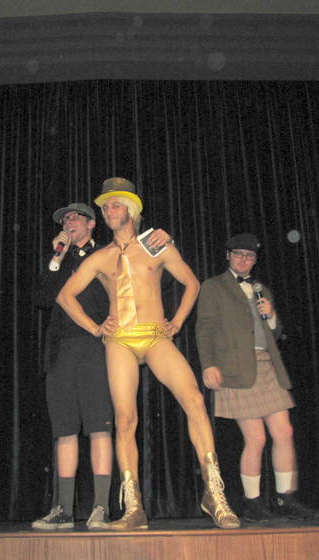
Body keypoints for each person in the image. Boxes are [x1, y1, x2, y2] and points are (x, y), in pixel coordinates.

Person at [57, 178, 240, 531]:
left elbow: (192, 283)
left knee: (195, 400)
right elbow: (65, 296)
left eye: (115, 205)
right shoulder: (101, 257)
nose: (108, 211)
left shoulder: (156, 246)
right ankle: (134, 508)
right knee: (125, 419)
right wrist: (96, 328)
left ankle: (214, 494)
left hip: (156, 336)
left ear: (131, 210)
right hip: (120, 341)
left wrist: (178, 321)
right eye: (105, 207)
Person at [31, 201, 171, 531]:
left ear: (92, 223)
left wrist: (166, 244)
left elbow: (154, 279)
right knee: (64, 431)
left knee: (99, 428)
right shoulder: (59, 260)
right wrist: (56, 258)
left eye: (75, 217)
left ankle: (100, 508)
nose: (68, 223)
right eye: (64, 219)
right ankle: (63, 509)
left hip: (99, 349)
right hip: (60, 352)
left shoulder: (109, 254)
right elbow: (41, 298)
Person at [195, 232, 319, 521]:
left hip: (266, 364)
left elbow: (273, 333)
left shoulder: (260, 288)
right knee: (256, 438)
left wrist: (272, 314)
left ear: (255, 260)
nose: (244, 259)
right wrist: (208, 365)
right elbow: (204, 329)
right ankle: (252, 502)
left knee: (284, 432)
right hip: (235, 367)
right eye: (238, 254)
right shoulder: (213, 286)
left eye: (249, 256)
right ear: (228, 256)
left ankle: (286, 498)